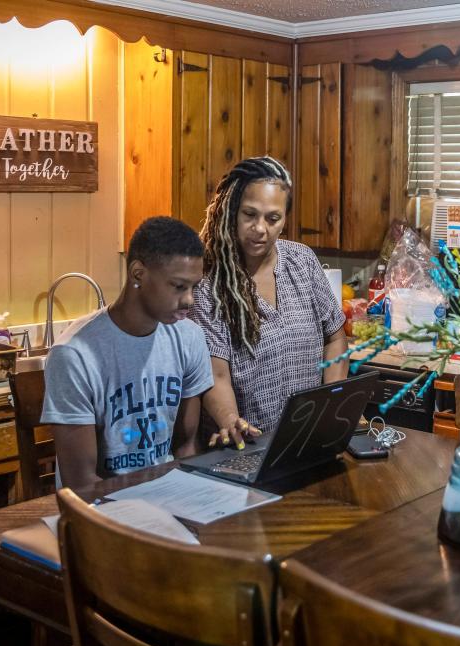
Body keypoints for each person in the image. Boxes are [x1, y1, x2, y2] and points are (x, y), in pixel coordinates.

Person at [42, 217, 214, 489]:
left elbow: (186, 447)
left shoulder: (189, 337)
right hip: (100, 511)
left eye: (194, 287)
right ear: (138, 274)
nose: (189, 300)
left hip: (168, 498)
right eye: (179, 286)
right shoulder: (74, 354)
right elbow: (81, 484)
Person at [190, 156, 347, 448]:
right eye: (249, 214)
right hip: (248, 445)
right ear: (231, 212)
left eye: (272, 218)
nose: (260, 228)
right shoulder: (209, 285)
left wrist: (330, 406)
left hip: (307, 439)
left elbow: (335, 338)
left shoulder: (302, 261)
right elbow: (216, 374)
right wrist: (231, 422)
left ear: (285, 219)